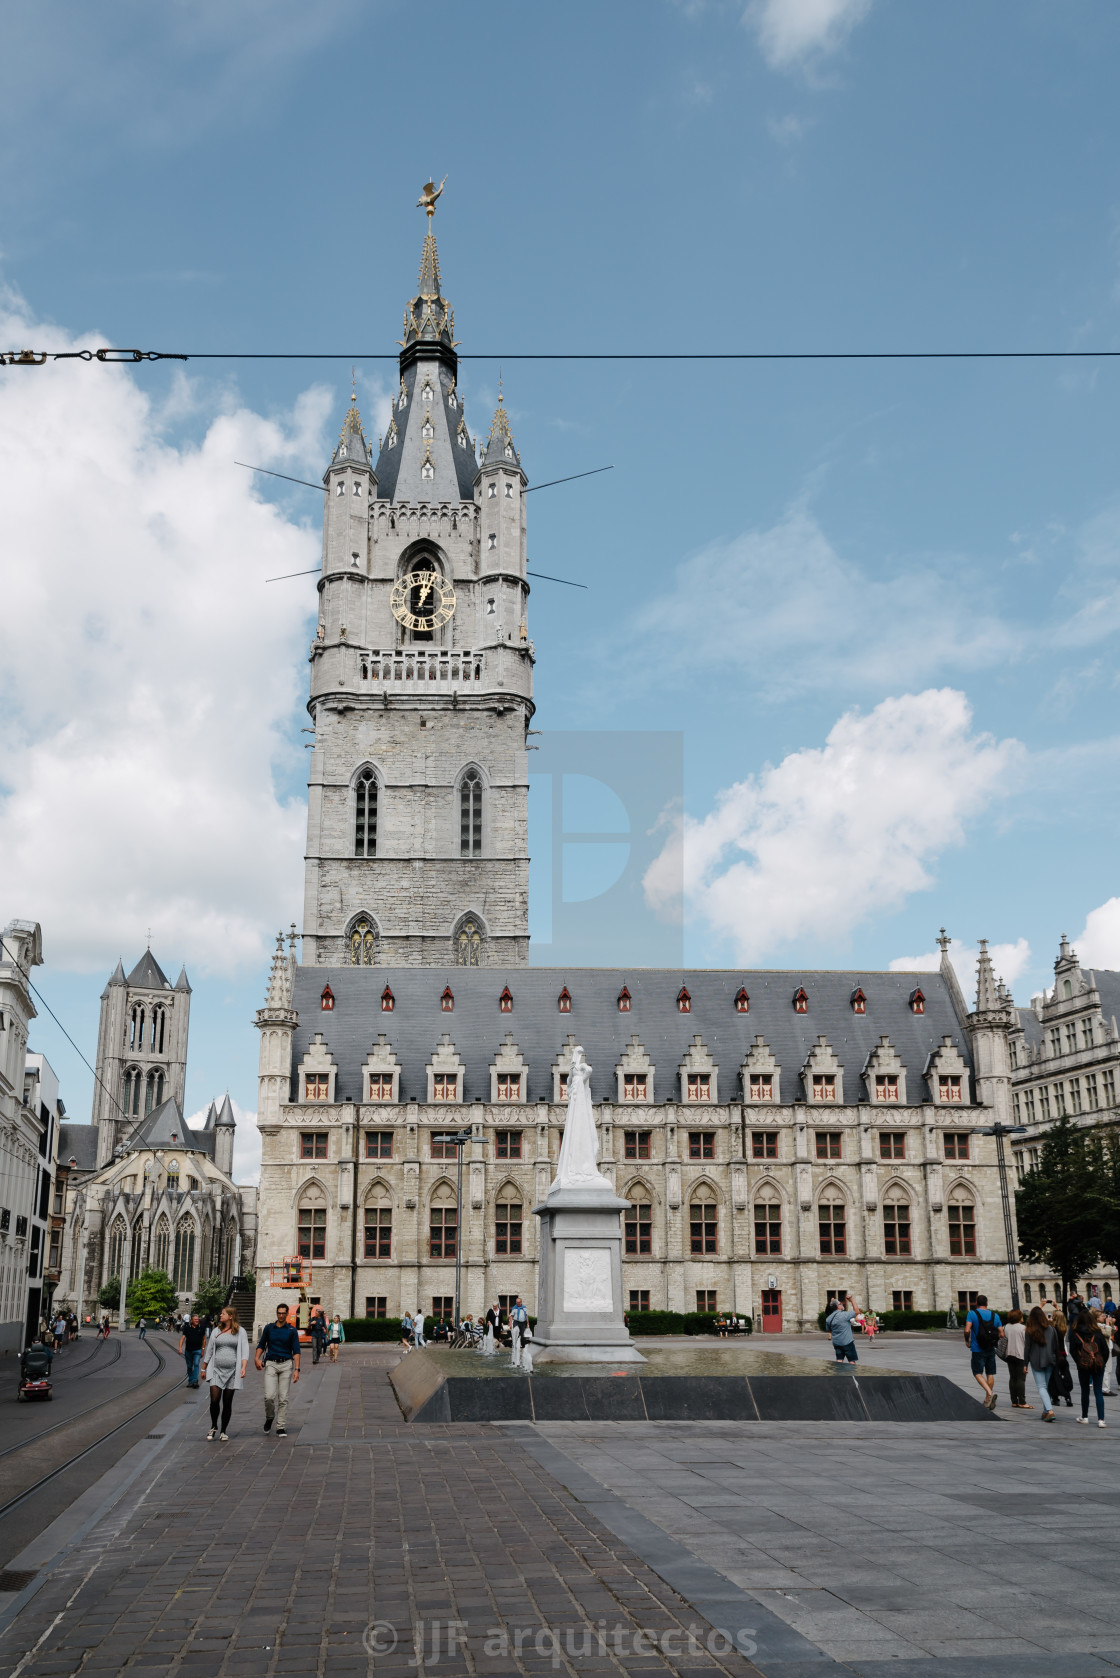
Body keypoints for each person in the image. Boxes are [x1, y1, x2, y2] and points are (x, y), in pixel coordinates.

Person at [200, 1306, 250, 1441]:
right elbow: (210, 1350)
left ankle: (223, 1430)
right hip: (216, 1370)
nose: (220, 1316)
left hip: (232, 1371)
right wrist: (204, 1368)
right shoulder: (216, 1331)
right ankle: (214, 1425)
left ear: (231, 1316)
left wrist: (243, 1367)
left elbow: (245, 1350)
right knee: (214, 1400)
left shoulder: (240, 1332)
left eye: (223, 1314)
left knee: (227, 1402)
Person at [254, 1302, 301, 1437]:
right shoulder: (269, 1328)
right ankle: (270, 1417)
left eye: (283, 1313)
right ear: (276, 1313)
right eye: (279, 1313)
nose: (281, 1315)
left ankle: (281, 1426)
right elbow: (261, 1344)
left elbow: (296, 1351)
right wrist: (256, 1358)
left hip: (286, 1364)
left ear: (287, 1314)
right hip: (271, 1364)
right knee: (269, 1396)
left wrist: (297, 1369)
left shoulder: (291, 1331)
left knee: (283, 1398)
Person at [1069, 1310, 1109, 1428]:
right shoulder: (1097, 1332)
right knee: (1098, 1392)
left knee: (1085, 1390)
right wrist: (1101, 1362)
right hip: (1098, 1365)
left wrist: (1079, 1362)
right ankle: (1101, 1420)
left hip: (1083, 1366)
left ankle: (1085, 1417)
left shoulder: (1075, 1333)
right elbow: (1105, 1350)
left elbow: (1072, 1351)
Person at [964, 1294, 1002, 1409]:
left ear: (976, 1303)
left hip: (977, 1348)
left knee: (977, 1372)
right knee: (990, 1373)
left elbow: (967, 1330)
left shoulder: (972, 1314)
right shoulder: (995, 1315)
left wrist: (967, 1340)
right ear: (987, 1303)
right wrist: (994, 1340)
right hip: (990, 1348)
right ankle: (987, 1399)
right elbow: (1002, 1333)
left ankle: (990, 1393)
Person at [1025, 1305, 1058, 1421]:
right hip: (1050, 1359)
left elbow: (1027, 1348)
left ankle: (1049, 1410)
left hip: (1036, 1361)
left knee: (1041, 1386)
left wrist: (1025, 1364)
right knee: (1046, 1386)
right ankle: (1045, 1411)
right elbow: (1056, 1346)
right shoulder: (1051, 1329)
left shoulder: (1030, 1329)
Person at [1002, 1308, 1030, 1409]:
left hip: (1009, 1354)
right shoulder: (1023, 1328)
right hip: (1020, 1355)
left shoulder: (1005, 1327)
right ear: (1019, 1317)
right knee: (1021, 1379)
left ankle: (1014, 1401)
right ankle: (1022, 1401)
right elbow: (1027, 1343)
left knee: (1012, 1377)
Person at [1048, 1309, 1074, 1408]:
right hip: (1063, 1354)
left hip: (1055, 1354)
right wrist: (1056, 1307)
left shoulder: (1052, 1328)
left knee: (1054, 1377)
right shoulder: (1064, 1328)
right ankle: (1068, 1397)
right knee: (1064, 1375)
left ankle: (1055, 1398)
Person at [825, 1299, 861, 1364]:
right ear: (838, 1306)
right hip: (847, 1342)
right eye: (840, 1303)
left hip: (836, 1343)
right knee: (852, 1361)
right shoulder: (844, 1315)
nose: (842, 1304)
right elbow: (857, 1312)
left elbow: (828, 1329)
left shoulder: (828, 1319)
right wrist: (852, 1300)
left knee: (839, 1360)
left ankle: (839, 1373)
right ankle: (852, 1373)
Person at [178, 1312, 206, 1387]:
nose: (197, 1321)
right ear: (191, 1321)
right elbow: (182, 1338)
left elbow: (204, 1340)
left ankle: (195, 1380)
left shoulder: (201, 1328)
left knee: (196, 1364)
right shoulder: (187, 1328)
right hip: (188, 1350)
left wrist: (203, 1349)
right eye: (195, 1319)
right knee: (189, 1366)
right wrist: (180, 1348)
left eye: (197, 1319)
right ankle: (190, 1380)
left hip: (197, 1350)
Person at [510, 1297, 528, 1367]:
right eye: (516, 1302)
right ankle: (515, 1345)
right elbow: (511, 1316)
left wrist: (528, 1323)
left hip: (523, 1322)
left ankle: (522, 1346)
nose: (517, 1303)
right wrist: (510, 1323)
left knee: (523, 1335)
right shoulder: (514, 1308)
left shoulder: (525, 1308)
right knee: (515, 1334)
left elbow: (526, 1316)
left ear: (521, 1302)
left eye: (518, 1302)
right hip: (516, 1322)